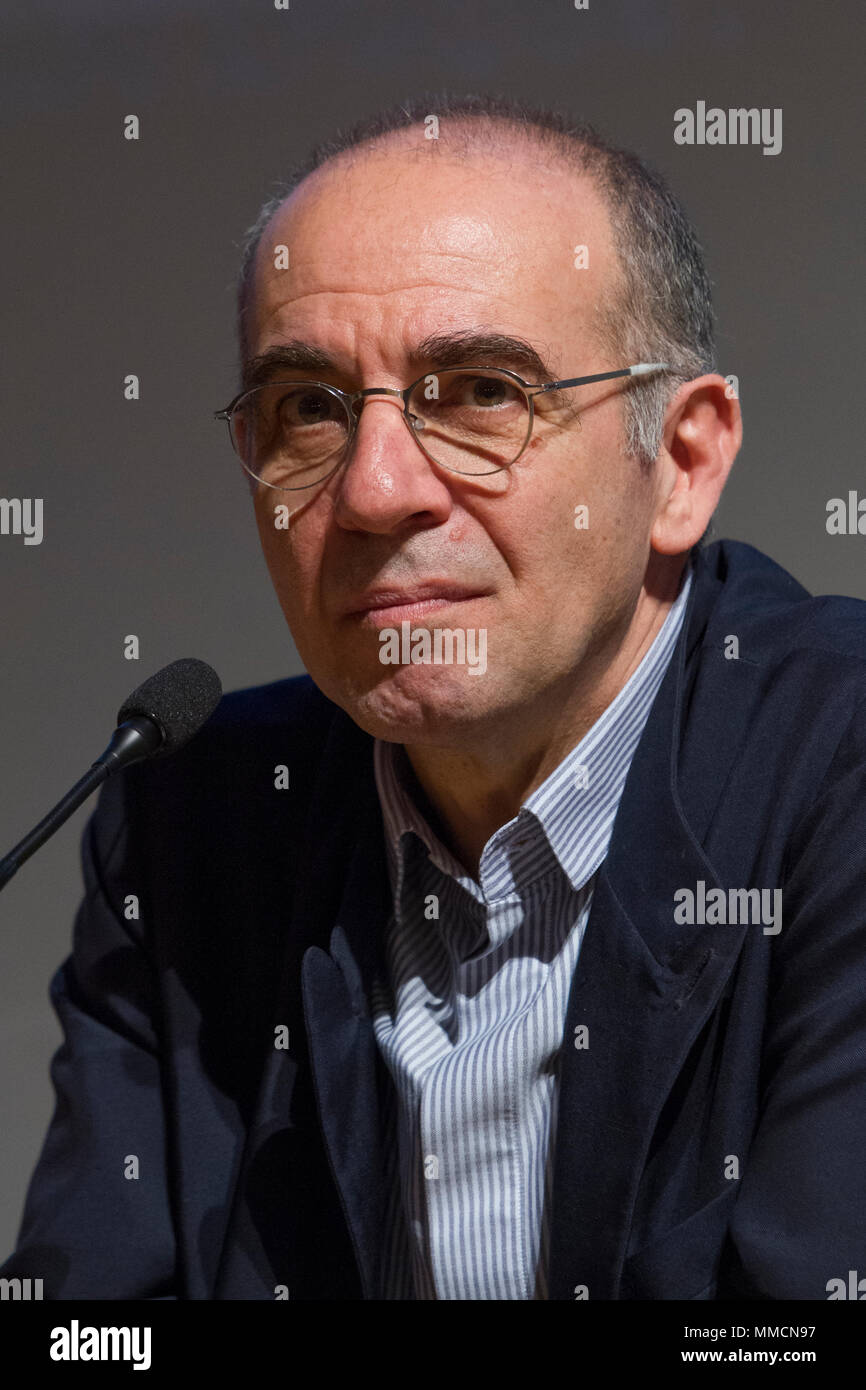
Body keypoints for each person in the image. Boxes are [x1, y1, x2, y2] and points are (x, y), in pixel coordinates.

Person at [3, 93, 865, 1301]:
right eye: (307, 407)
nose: (372, 490)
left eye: (475, 392)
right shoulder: (189, 820)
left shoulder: (836, 769)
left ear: (678, 462)